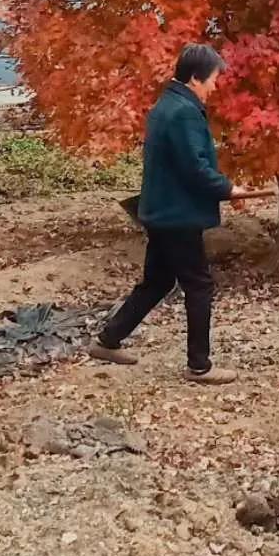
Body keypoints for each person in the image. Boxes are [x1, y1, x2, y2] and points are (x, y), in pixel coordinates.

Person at [90, 43, 246, 383]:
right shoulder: (184, 112)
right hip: (177, 215)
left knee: (158, 281)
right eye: (213, 80)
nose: (214, 87)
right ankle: (199, 366)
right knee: (199, 284)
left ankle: (108, 340)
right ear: (195, 78)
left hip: (161, 210)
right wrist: (227, 189)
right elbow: (194, 166)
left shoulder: (167, 104)